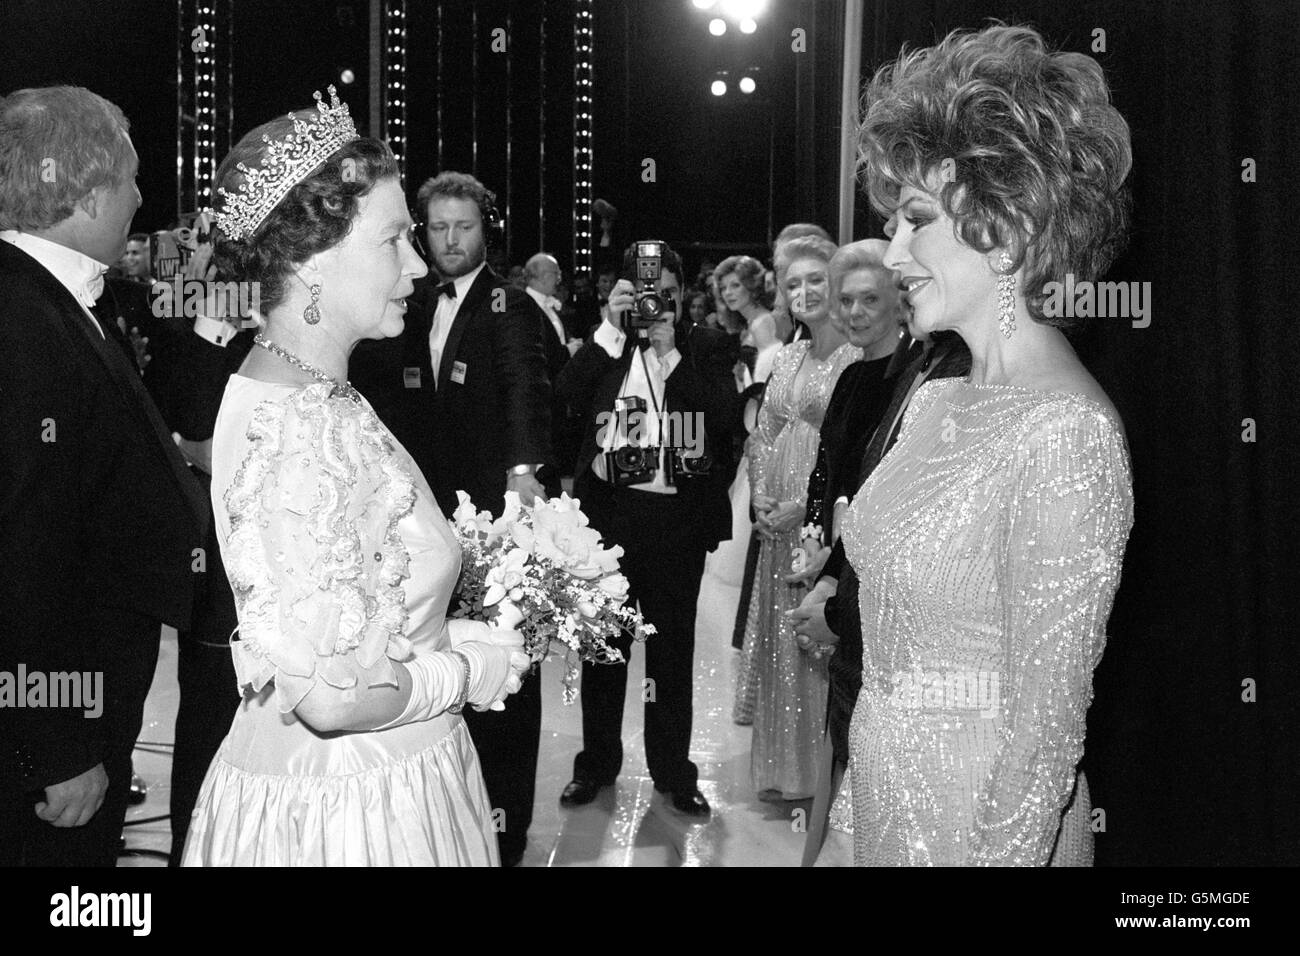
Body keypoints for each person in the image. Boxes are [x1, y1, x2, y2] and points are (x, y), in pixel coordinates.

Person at [182, 90, 529, 866]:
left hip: (390, 778)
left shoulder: (321, 390)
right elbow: (332, 699)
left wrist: (442, 628)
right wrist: (467, 668)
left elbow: (362, 606)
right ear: (309, 264)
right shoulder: (293, 428)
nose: (416, 264)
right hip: (351, 816)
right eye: (395, 239)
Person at [841, 24, 1134, 865]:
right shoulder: (935, 400)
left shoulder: (1066, 435)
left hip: (984, 827)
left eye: (915, 221)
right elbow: (885, 673)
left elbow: (1045, 738)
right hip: (886, 800)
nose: (894, 252)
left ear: (1006, 231)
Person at [0, 85, 210, 866]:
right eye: (132, 179)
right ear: (87, 190)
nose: (141, 198)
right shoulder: (23, 321)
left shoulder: (59, 299)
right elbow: (18, 550)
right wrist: (54, 746)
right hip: (58, 733)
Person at [349, 170, 552, 867]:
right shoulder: (420, 297)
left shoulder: (509, 302)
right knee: (444, 655)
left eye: (463, 226)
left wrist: (523, 480)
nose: (451, 239)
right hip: (432, 516)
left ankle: (509, 830)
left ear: (484, 229)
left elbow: (528, 386)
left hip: (495, 521)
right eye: (438, 227)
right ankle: (460, 813)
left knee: (506, 669)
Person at [556, 240, 738, 817]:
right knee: (604, 653)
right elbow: (561, 404)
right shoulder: (607, 349)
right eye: (641, 292)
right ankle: (597, 766)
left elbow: (723, 425)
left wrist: (670, 357)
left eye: (666, 292)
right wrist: (610, 330)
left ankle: (673, 773)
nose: (654, 304)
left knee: (670, 657)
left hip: (675, 523)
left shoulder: (706, 347)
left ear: (683, 296)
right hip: (609, 519)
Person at [733, 235, 860, 798]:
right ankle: (787, 773)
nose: (804, 292)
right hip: (775, 523)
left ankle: (822, 774)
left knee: (818, 639)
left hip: (818, 523)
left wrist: (803, 510)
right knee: (784, 641)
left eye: (815, 280)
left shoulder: (858, 357)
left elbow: (856, 450)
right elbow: (763, 437)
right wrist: (761, 496)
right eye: (792, 284)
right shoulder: (787, 355)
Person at [523, 251, 578, 484]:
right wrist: (569, 351)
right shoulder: (525, 306)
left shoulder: (548, 306)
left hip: (555, 398)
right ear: (544, 276)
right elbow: (538, 353)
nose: (559, 279)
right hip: (539, 399)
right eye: (556, 274)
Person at [715, 254, 777, 389]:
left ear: (752, 286)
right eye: (723, 288)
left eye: (735, 285)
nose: (727, 293)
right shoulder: (750, 323)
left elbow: (771, 377)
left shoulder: (763, 323)